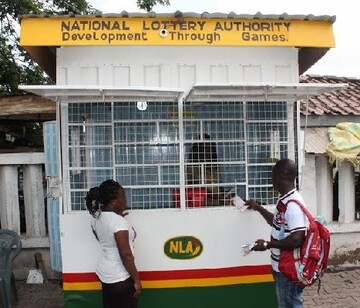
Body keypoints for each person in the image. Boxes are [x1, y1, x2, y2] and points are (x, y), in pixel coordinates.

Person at [245, 158, 307, 308]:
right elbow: (277, 223)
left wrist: (267, 244)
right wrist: (258, 207)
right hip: (281, 267)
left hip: (288, 270)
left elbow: (296, 239)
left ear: (280, 176)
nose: (271, 179)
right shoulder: (284, 200)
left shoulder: (292, 205)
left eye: (273, 175)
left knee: (289, 304)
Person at [85, 179, 142, 308]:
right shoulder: (118, 222)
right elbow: (126, 255)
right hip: (120, 277)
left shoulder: (96, 218)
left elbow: (101, 238)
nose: (125, 200)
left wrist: (119, 217)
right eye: (123, 197)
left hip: (105, 274)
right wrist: (137, 280)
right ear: (114, 201)